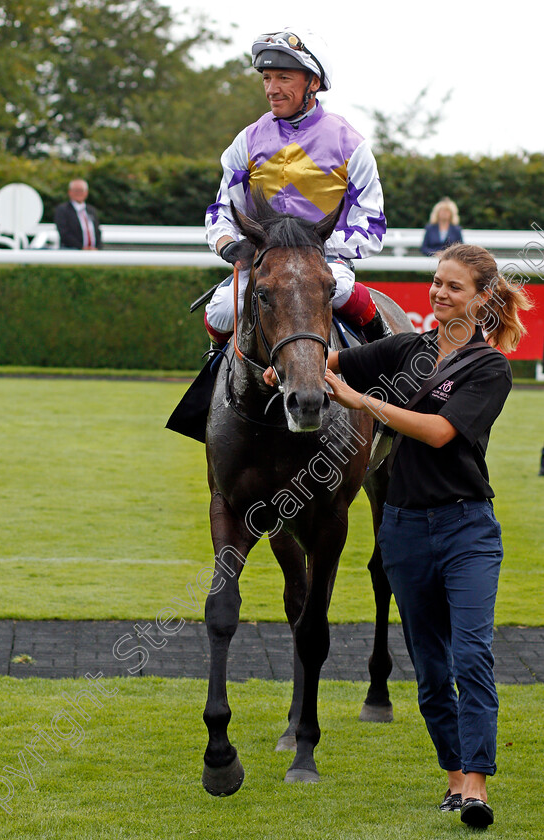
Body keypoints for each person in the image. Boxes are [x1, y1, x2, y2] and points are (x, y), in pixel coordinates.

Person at [265, 243, 531, 828]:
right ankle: (454, 779)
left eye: (454, 287)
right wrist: (295, 368)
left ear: (483, 298)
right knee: (431, 667)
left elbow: (438, 432)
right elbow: (331, 363)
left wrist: (363, 403)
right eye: (436, 283)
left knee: (471, 656)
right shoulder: (409, 349)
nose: (439, 294)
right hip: (405, 530)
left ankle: (477, 787)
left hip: (466, 529)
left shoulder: (489, 367)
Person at [204, 27, 390, 348]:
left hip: (326, 260)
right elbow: (223, 209)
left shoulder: (349, 143)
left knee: (343, 293)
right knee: (221, 312)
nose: (271, 89)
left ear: (313, 83)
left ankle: (386, 358)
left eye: (284, 78)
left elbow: (371, 226)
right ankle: (215, 380)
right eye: (267, 78)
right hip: (264, 261)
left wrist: (316, 249)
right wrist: (227, 245)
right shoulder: (246, 140)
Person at [54, 179, 102, 250]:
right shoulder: (63, 210)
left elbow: (97, 231)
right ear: (70, 192)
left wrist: (97, 247)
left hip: (93, 251)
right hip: (71, 251)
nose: (79, 193)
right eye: (76, 190)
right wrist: (81, 247)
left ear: (86, 192)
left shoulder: (91, 210)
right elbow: (64, 233)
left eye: (81, 190)